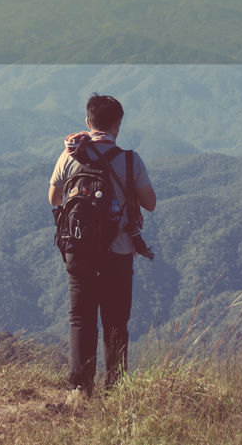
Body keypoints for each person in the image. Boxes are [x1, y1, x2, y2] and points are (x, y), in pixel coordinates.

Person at [48, 93, 156, 397]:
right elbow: (151, 203)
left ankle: (80, 390)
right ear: (117, 125)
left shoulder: (69, 156)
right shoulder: (130, 160)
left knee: (81, 317)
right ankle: (115, 389)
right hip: (118, 252)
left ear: (87, 122)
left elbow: (54, 199)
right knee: (115, 320)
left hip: (78, 250)